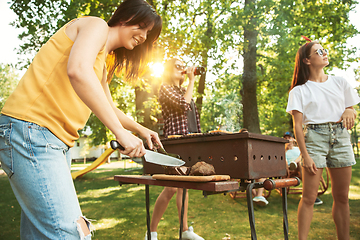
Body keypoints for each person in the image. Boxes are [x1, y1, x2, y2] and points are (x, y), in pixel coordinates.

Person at [0, 0, 162, 239]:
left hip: (52, 141)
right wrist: (120, 132)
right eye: (142, 26)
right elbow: (77, 70)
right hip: (32, 131)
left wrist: (139, 129)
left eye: (149, 34)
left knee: (39, 235)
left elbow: (107, 105)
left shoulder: (103, 60)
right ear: (125, 17)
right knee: (72, 233)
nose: (144, 36)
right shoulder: (96, 26)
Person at [286, 36, 360, 240]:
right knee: (309, 197)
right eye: (318, 51)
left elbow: (351, 108)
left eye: (324, 49)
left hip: (341, 137)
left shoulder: (340, 82)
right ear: (307, 60)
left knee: (342, 197)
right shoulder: (299, 91)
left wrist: (349, 110)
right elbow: (298, 126)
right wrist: (305, 155)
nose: (324, 53)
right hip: (314, 139)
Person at [144, 58, 204, 240]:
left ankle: (185, 231)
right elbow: (183, 106)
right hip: (174, 143)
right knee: (170, 188)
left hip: (188, 142)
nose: (182, 69)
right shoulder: (165, 88)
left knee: (183, 188)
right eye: (177, 66)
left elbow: (193, 118)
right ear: (168, 70)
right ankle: (151, 232)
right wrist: (193, 81)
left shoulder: (182, 90)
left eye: (183, 66)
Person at [283, 131, 323, 205]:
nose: (287, 140)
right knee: (300, 163)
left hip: (299, 166)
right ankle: (310, 193)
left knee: (301, 161)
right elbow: (281, 158)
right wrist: (285, 149)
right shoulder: (283, 150)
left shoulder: (298, 148)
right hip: (288, 167)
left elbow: (302, 156)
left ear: (293, 139)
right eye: (285, 138)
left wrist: (296, 162)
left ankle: (309, 192)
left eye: (289, 138)